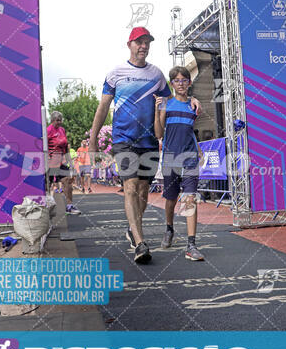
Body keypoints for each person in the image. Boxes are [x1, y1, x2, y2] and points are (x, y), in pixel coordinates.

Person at [89, 27, 201, 264]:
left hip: (149, 141)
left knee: (142, 191)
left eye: (147, 42)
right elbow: (103, 108)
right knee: (129, 186)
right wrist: (92, 140)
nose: (143, 46)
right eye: (139, 42)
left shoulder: (158, 75)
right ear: (129, 44)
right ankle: (140, 242)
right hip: (124, 139)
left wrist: (192, 98)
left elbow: (173, 99)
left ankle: (132, 229)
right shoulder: (115, 74)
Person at [155, 65, 204, 261]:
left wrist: (196, 101)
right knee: (171, 199)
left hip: (190, 158)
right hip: (170, 157)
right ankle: (169, 229)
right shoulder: (165, 104)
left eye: (184, 80)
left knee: (190, 198)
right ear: (172, 83)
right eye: (177, 80)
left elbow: (190, 130)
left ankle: (191, 244)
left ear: (189, 83)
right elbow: (159, 133)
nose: (181, 83)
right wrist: (157, 111)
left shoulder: (193, 105)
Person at [47, 111, 80, 215]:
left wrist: (71, 164)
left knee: (67, 181)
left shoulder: (62, 130)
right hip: (51, 161)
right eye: (57, 120)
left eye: (61, 120)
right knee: (48, 185)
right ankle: (46, 207)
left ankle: (69, 206)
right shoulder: (48, 130)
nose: (60, 122)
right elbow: (43, 146)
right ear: (52, 120)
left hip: (62, 161)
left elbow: (66, 149)